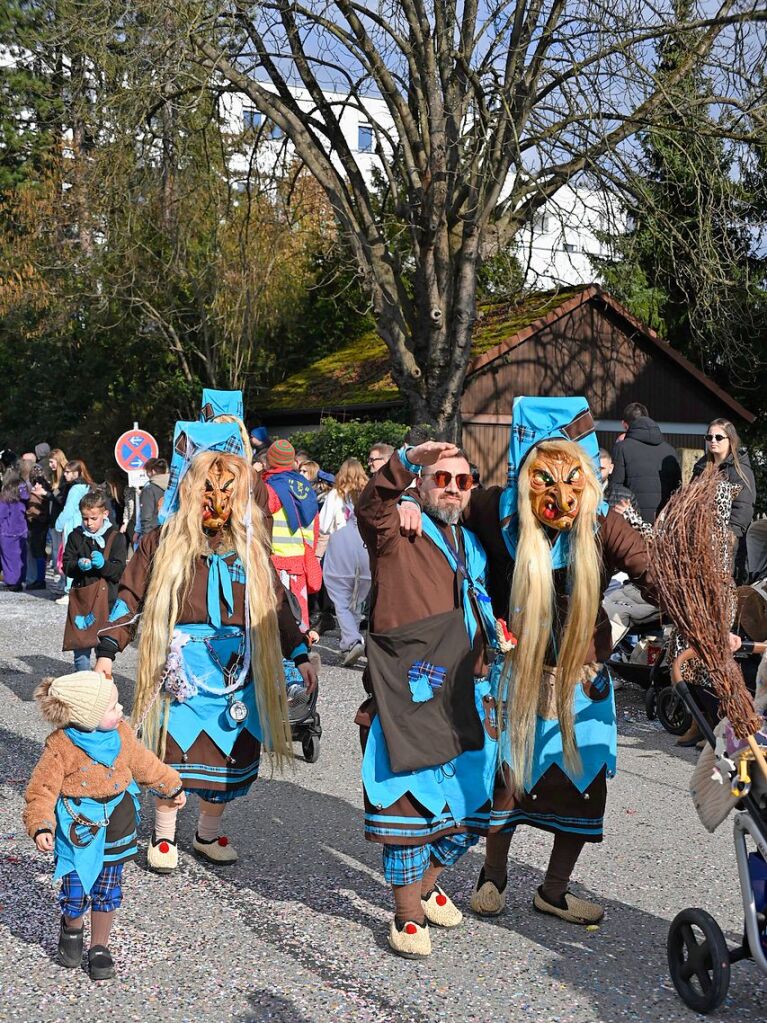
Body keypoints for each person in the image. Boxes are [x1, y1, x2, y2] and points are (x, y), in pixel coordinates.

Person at [93, 415, 317, 874]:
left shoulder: (252, 548)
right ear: (191, 491)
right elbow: (131, 597)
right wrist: (107, 650)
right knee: (171, 753)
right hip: (181, 669)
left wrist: (298, 653)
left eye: (227, 491)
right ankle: (163, 836)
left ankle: (208, 833)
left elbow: (277, 606)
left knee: (231, 755)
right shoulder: (163, 541)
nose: (217, 500)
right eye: (208, 490)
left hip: (238, 669)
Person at [356, 442, 500, 959]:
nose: (454, 490)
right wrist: (406, 460)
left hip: (469, 692)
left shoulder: (474, 542)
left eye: (463, 481)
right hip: (410, 692)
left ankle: (428, 884)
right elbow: (370, 506)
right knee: (406, 808)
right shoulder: (397, 529)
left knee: (477, 804)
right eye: (443, 479)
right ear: (421, 482)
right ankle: (406, 912)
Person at [23, 670, 186, 980]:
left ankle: (100, 946)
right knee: (74, 892)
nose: (121, 710)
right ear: (87, 715)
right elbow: (41, 789)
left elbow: (144, 763)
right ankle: (72, 928)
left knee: (107, 888)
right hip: (77, 830)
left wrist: (170, 784)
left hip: (117, 824)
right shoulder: (60, 746)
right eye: (113, 707)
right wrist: (42, 825)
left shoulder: (122, 734)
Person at [62, 491, 128, 672]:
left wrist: (103, 565)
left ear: (105, 514)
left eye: (93, 518)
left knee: (104, 648)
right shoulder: (76, 536)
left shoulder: (116, 537)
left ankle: (100, 687)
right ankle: (83, 685)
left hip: (108, 601)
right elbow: (66, 566)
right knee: (81, 646)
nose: (89, 523)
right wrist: (77, 566)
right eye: (85, 518)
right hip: (83, 598)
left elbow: (119, 572)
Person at [263, 439, 321, 632]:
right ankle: (301, 656)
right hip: (300, 563)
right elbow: (314, 527)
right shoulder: (305, 488)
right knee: (299, 616)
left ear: (270, 461)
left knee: (277, 619)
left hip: (275, 563)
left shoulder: (270, 488)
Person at [692, 419, 755, 584]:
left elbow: (742, 511)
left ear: (730, 440)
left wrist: (725, 538)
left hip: (726, 547)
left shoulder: (739, 471)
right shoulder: (701, 468)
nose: (713, 441)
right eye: (709, 437)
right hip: (699, 541)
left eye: (719, 437)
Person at [609, 402, 681, 523]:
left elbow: (616, 489)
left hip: (633, 519)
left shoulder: (622, 448)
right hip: (664, 521)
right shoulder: (670, 450)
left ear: (624, 425)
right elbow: (678, 489)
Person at [322, 505, 371, 666]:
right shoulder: (368, 494)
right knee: (356, 604)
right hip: (365, 556)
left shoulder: (336, 496)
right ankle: (347, 644)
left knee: (342, 604)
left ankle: (353, 641)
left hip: (340, 558)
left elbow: (323, 525)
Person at [54, 460, 94, 603]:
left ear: (77, 473)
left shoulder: (75, 488)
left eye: (68, 472)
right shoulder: (86, 486)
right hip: (82, 525)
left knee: (70, 558)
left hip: (72, 525)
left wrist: (58, 525)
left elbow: (69, 510)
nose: (65, 475)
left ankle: (70, 591)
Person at [318, 458, 368, 551]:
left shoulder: (335, 494)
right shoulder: (367, 493)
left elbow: (323, 526)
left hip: (340, 545)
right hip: (363, 544)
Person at [0, 467, 29, 590]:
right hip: (22, 529)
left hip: (7, 531)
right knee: (21, 557)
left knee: (9, 558)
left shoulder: (5, 496)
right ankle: (21, 578)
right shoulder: (23, 493)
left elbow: (1, 514)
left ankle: (13, 581)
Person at [25, 471, 51, 589]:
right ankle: (39, 579)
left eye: (38, 484)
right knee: (38, 552)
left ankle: (40, 580)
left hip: (38, 525)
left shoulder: (40, 496)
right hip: (38, 525)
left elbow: (33, 511)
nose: (35, 486)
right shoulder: (43, 495)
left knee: (39, 552)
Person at [136, 457, 169, 539]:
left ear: (153, 471)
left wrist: (147, 540)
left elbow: (146, 518)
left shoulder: (149, 490)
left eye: (147, 472)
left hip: (155, 535)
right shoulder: (175, 487)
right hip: (172, 534)